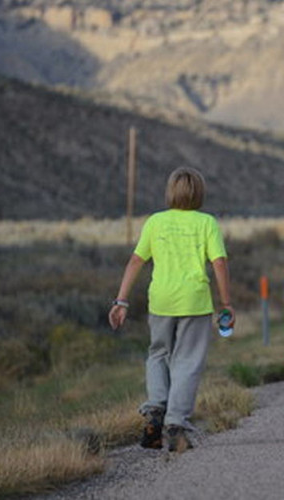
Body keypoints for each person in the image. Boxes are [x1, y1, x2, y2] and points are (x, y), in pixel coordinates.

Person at [108, 167, 233, 453]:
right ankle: (175, 425)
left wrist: (121, 301)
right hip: (194, 301)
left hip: (161, 300)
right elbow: (220, 263)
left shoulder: (155, 222)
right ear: (199, 192)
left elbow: (136, 262)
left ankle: (154, 410)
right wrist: (226, 303)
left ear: (170, 192)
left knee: (158, 354)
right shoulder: (206, 223)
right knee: (187, 361)